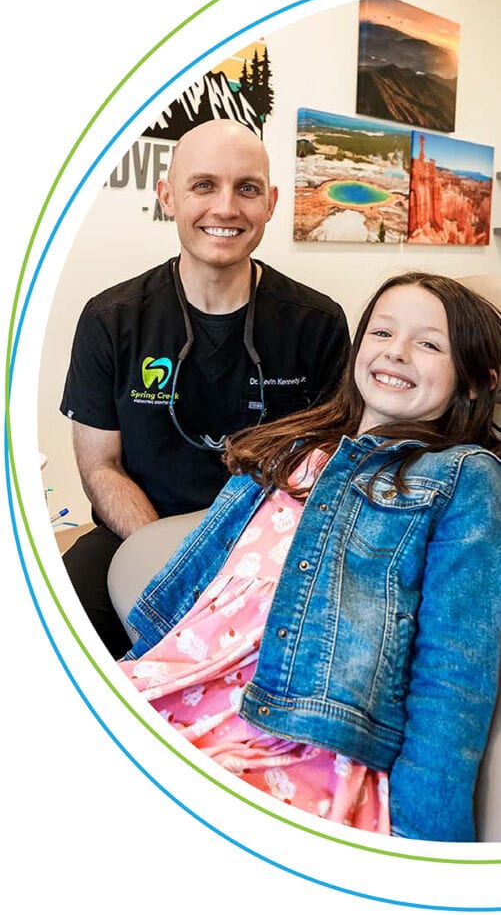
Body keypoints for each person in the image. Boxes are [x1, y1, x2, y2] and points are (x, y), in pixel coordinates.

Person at [120, 272, 501, 842]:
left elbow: (455, 669)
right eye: (382, 332)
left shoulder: (463, 477)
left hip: (296, 741)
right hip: (176, 691)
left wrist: (428, 850)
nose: (395, 352)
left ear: (476, 382)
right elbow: (199, 591)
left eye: (428, 343)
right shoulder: (292, 446)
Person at [60, 119, 350, 657]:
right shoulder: (112, 319)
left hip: (268, 548)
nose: (225, 208)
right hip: (140, 532)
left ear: (271, 203)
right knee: (63, 629)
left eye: (247, 188)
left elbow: (327, 469)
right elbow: (101, 466)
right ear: (168, 197)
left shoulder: (316, 323)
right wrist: (172, 556)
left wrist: (245, 562)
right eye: (203, 185)